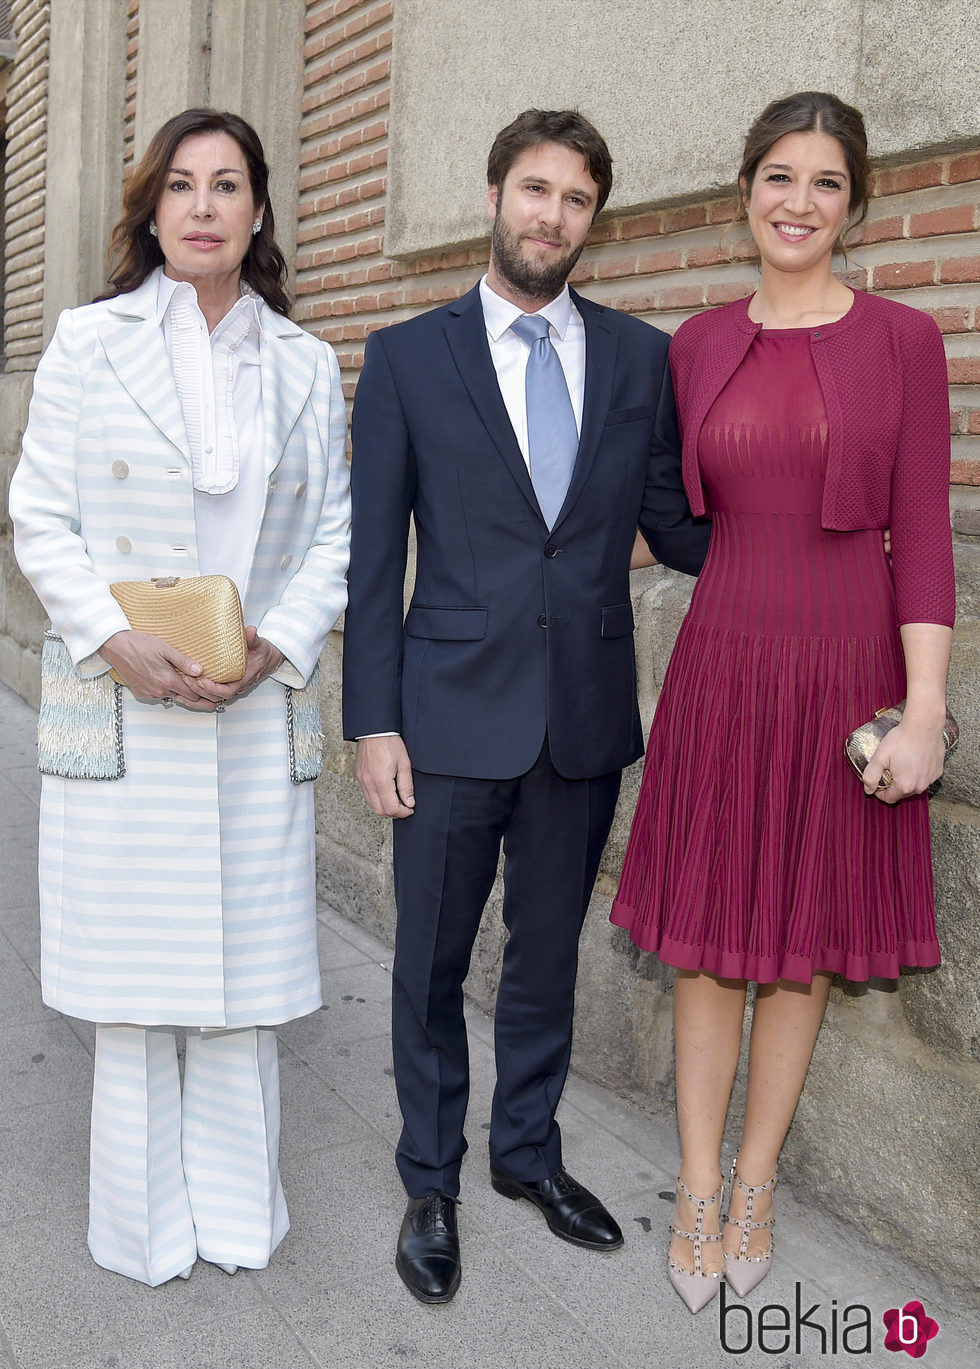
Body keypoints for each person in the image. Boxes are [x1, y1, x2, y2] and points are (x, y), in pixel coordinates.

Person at [342, 108, 710, 1304]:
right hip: (442, 717)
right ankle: (430, 1179)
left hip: (580, 719)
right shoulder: (405, 356)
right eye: (534, 189)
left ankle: (525, 1156)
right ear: (494, 193)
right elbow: (370, 556)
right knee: (430, 963)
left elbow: (674, 521)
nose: (550, 215)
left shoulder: (640, 359)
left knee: (546, 956)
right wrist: (371, 718)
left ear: (591, 220)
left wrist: (807, 526)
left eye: (575, 199)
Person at [613, 91, 955, 1314]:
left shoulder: (902, 342)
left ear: (853, 205)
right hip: (722, 664)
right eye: (776, 176)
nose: (795, 201)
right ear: (742, 193)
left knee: (797, 948)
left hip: (842, 670)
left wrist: (922, 712)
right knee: (707, 946)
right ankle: (695, 1186)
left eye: (821, 181)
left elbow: (920, 537)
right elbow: (664, 517)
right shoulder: (694, 344)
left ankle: (755, 1183)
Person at [9, 108, 350, 1286]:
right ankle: (140, 1232)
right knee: (135, 990)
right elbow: (38, 515)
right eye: (182, 186)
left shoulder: (305, 364)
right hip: (124, 700)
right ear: (152, 211)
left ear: (258, 210)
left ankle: (240, 1221)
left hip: (252, 700)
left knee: (241, 987)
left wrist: (279, 643)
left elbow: (334, 535)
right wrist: (111, 637)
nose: (204, 206)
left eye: (228, 185)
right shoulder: (87, 341)